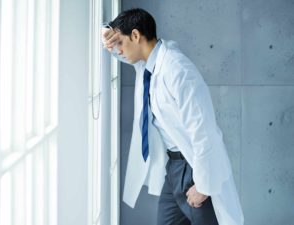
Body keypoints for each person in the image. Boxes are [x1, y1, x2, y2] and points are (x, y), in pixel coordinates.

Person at [101, 8, 244, 225]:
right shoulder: (148, 65)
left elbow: (203, 131)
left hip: (195, 168)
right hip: (174, 168)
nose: (118, 50)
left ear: (136, 36)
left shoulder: (177, 70)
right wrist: (107, 34)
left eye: (120, 42)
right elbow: (119, 53)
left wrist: (203, 186)